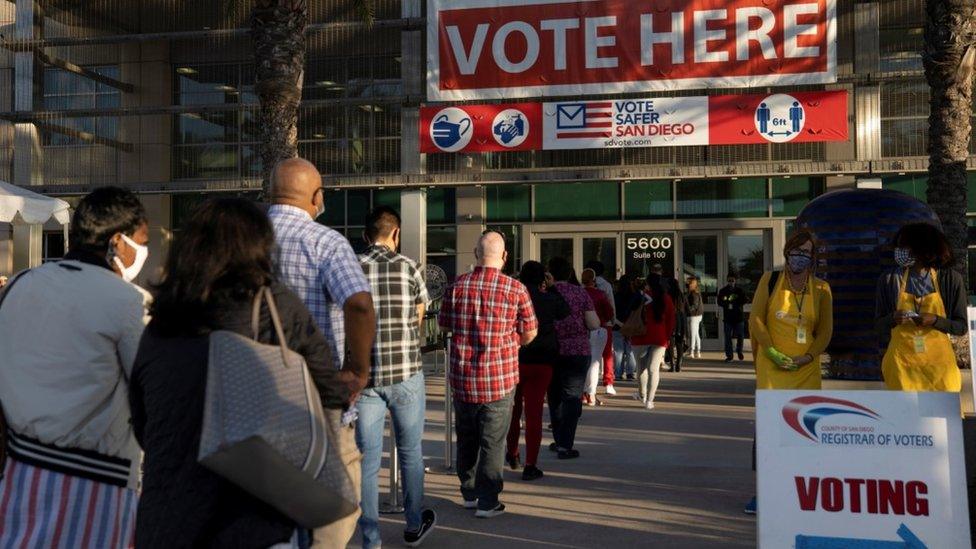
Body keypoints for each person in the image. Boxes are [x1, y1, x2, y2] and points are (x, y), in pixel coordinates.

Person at [130, 198, 357, 548]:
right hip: (255, 517)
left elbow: (143, 421)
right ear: (259, 246)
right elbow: (330, 390)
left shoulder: (162, 322)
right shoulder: (274, 305)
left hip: (165, 519)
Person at [0, 187, 149, 547]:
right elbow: (149, 394)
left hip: (21, 475)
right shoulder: (131, 303)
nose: (144, 252)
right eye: (141, 241)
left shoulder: (21, 285)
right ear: (118, 241)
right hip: (99, 483)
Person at [267, 157, 374, 548]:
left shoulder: (245, 241)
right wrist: (356, 372)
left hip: (255, 399)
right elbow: (359, 304)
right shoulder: (326, 242)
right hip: (316, 402)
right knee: (336, 510)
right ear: (316, 197)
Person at [438, 232, 537, 518]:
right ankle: (488, 500)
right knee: (493, 442)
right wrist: (510, 341)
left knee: (467, 437)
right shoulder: (515, 289)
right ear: (505, 256)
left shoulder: (457, 286)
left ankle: (469, 492)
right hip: (499, 378)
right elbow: (530, 332)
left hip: (463, 377)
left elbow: (444, 325)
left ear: (475, 253)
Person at [356, 206, 436, 548]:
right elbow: (419, 316)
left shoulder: (354, 267)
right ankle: (413, 523)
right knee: (410, 452)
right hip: (405, 372)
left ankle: (371, 538)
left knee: (367, 461)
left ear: (365, 235)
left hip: (366, 378)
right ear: (396, 234)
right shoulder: (409, 267)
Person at [746, 229, 833, 515]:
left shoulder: (821, 289)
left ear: (813, 257)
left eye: (806, 252)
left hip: (805, 370)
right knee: (769, 430)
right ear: (787, 253)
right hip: (773, 369)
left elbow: (825, 331)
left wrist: (809, 356)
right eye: (796, 251)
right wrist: (770, 350)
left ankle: (801, 490)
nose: (800, 257)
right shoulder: (769, 281)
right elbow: (757, 319)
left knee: (804, 430)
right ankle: (763, 492)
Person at [876, 223, 967, 392]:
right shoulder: (889, 280)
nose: (899, 251)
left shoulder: (951, 280)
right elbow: (878, 325)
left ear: (923, 248)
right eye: (898, 246)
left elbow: (961, 327)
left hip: (941, 370)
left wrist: (935, 320)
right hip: (901, 368)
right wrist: (892, 318)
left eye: (904, 246)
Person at [506, 261, 570, 481]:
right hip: (543, 360)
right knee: (534, 414)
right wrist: (551, 287)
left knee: (513, 411)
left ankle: (512, 452)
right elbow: (565, 311)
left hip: (517, 358)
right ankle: (530, 464)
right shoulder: (548, 298)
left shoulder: (514, 297)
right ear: (543, 277)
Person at [547, 257, 601, 459]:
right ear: (571, 273)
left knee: (554, 396)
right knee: (572, 396)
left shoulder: (547, 293)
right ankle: (565, 444)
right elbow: (594, 323)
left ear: (550, 273)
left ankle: (559, 438)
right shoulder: (580, 293)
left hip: (552, 350)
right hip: (577, 350)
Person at [629, 273, 676, 410]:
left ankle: (642, 395)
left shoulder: (641, 296)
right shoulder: (666, 298)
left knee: (641, 369)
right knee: (653, 370)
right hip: (659, 337)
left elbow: (629, 312)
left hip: (640, 336)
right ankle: (650, 400)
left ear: (647, 283)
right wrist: (666, 337)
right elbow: (671, 320)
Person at [582, 268, 615, 405]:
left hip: (583, 331)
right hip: (599, 329)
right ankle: (591, 393)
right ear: (594, 280)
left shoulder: (579, 293)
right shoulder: (600, 294)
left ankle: (584, 393)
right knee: (595, 363)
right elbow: (609, 312)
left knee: (585, 363)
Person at [613, 274, 641, 381]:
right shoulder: (635, 296)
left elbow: (613, 312)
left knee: (618, 351)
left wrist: (620, 324)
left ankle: (618, 373)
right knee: (630, 350)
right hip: (631, 325)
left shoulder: (616, 296)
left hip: (617, 325)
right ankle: (630, 373)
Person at [718, 274, 747, 362]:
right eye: (729, 280)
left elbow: (745, 300)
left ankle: (739, 351)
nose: (731, 282)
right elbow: (720, 302)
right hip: (728, 317)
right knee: (727, 337)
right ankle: (729, 355)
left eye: (732, 280)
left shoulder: (739, 290)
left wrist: (736, 301)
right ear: (727, 280)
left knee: (740, 335)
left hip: (738, 317)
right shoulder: (723, 291)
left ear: (735, 281)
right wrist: (727, 302)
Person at [686, 276, 705, 359]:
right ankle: (698, 351)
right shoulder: (696, 292)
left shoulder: (693, 293)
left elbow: (694, 305)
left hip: (694, 315)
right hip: (697, 315)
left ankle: (692, 352)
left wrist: (688, 310)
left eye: (688, 283)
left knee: (693, 334)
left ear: (692, 284)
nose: (687, 284)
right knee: (696, 334)